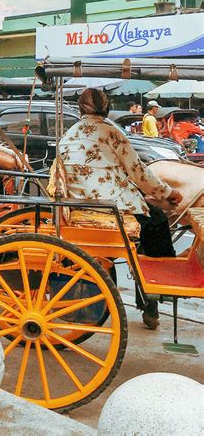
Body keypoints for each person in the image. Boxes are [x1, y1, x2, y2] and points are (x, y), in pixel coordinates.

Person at [59, 88, 182, 330]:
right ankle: (153, 296)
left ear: (81, 108)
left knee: (148, 213)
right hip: (110, 206)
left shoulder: (69, 134)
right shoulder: (111, 131)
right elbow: (138, 171)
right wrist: (168, 193)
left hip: (79, 201)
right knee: (155, 220)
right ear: (106, 109)